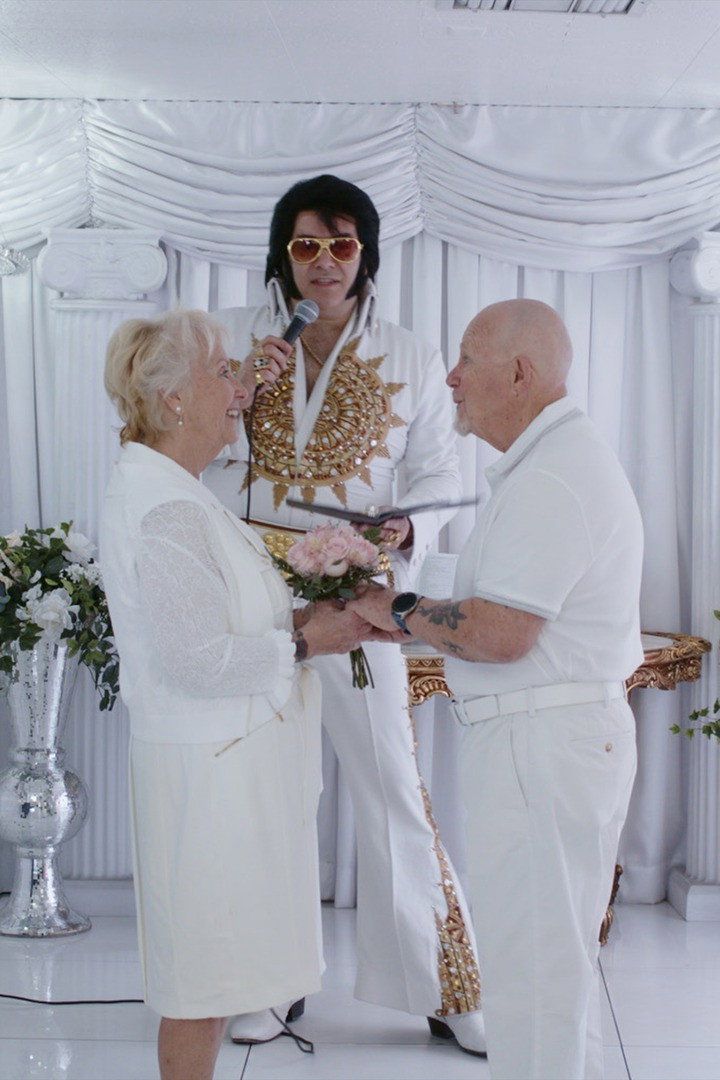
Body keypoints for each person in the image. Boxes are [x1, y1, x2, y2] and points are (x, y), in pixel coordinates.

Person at [204, 175, 486, 1055]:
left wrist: (410, 525)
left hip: (357, 591)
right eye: (305, 245)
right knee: (266, 789)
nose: (323, 262)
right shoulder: (230, 340)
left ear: (366, 252)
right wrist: (235, 398)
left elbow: (439, 471)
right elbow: (182, 450)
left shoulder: (409, 352)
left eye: (341, 244)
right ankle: (266, 981)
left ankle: (446, 988)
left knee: (392, 784)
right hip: (252, 591)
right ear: (282, 254)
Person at [350, 299, 643, 1080]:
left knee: (534, 976)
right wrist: (419, 612)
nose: (451, 378)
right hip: (543, 744)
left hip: (542, 749)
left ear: (520, 373)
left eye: (468, 360)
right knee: (547, 971)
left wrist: (397, 608)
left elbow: (503, 632)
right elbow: (501, 606)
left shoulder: (554, 476)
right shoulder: (551, 463)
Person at [100, 309, 378, 1080]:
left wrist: (313, 621)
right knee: (200, 989)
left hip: (224, 774)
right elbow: (195, 660)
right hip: (208, 782)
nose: (243, 388)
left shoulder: (179, 491)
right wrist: (305, 643)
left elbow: (216, 625)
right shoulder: (164, 506)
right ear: (172, 400)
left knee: (216, 982)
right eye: (224, 372)